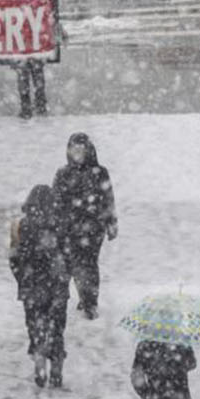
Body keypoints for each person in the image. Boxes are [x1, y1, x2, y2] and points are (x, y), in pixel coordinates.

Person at [9, 185, 70, 388]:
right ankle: (57, 369)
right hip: (57, 288)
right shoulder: (61, 227)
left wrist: (22, 280)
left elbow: (14, 259)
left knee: (36, 328)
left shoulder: (20, 226)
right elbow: (70, 258)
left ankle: (39, 365)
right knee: (56, 328)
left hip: (32, 288)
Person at [52, 133, 117, 319]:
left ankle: (90, 301)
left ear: (88, 150)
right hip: (70, 227)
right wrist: (56, 224)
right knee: (74, 265)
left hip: (94, 228)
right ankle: (85, 296)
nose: (77, 154)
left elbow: (108, 198)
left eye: (81, 150)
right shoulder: (63, 173)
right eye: (73, 150)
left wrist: (112, 222)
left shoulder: (100, 172)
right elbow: (55, 201)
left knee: (88, 264)